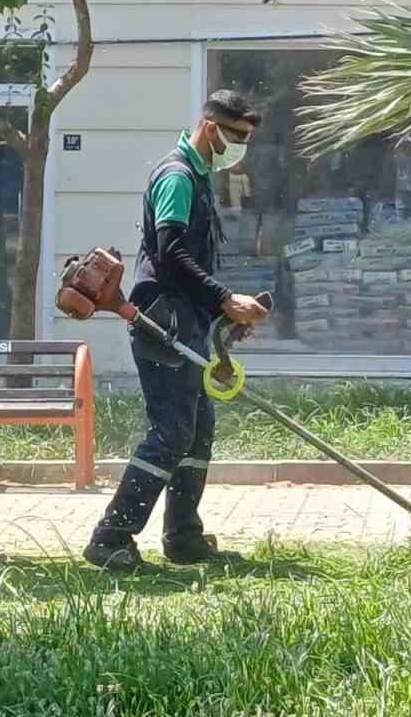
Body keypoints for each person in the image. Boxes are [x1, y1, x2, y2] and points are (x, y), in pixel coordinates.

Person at [84, 89, 272, 573]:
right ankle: (111, 536)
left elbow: (189, 262)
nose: (242, 147)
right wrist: (224, 298)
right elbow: (170, 254)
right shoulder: (177, 176)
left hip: (186, 322)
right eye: (238, 136)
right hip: (161, 322)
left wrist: (217, 316)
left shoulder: (201, 175)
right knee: (171, 433)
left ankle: (183, 537)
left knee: (197, 430)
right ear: (211, 128)